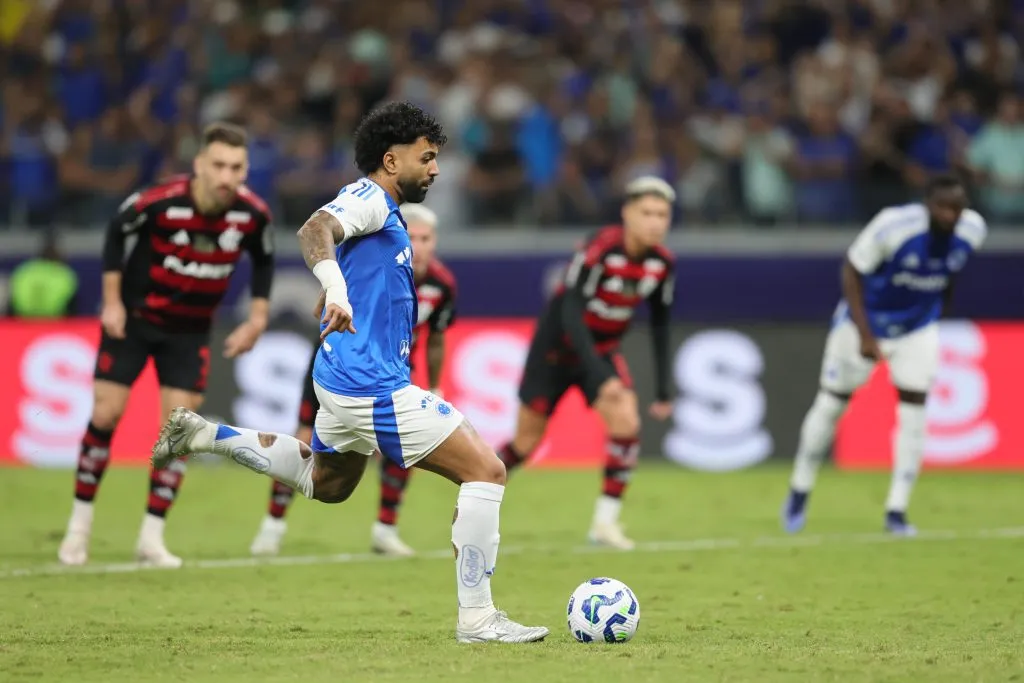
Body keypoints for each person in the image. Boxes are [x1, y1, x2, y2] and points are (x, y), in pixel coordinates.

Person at [152, 101, 548, 644]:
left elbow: (354, 263)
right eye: (426, 158)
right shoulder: (369, 198)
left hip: (341, 375)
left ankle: (204, 434)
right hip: (370, 384)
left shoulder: (386, 213)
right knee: (487, 471)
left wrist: (341, 285)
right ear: (390, 160)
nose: (435, 169)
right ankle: (478, 619)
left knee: (328, 483)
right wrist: (335, 288)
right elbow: (316, 229)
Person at [58, 122, 275, 568]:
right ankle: (78, 528)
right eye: (217, 165)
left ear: (245, 170)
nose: (226, 176)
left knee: (179, 434)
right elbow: (116, 234)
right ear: (199, 164)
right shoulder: (159, 201)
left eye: (235, 167)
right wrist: (113, 302)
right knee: (106, 414)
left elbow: (264, 260)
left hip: (190, 332)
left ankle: (151, 538)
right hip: (135, 323)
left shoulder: (253, 215)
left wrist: (257, 318)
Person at [782, 175, 987, 536]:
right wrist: (864, 334)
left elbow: (950, 272)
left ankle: (897, 510)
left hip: (917, 327)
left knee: (915, 411)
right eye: (942, 207)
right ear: (927, 205)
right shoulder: (894, 226)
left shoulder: (973, 230)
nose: (950, 215)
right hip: (864, 323)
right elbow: (851, 270)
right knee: (832, 405)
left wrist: (938, 316)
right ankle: (800, 488)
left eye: (957, 207)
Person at [249, 204, 457, 557]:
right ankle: (272, 526)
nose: (419, 246)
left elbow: (436, 338)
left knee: (405, 447)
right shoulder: (374, 267)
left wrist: (435, 384)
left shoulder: (441, 285)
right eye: (413, 237)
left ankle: (385, 529)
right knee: (304, 444)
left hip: (391, 375)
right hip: (338, 368)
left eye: (427, 238)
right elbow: (321, 309)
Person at [495, 176, 677, 550]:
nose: (655, 222)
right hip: (555, 350)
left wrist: (662, 389)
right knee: (526, 444)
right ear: (627, 213)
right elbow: (570, 311)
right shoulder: (600, 249)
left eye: (662, 214)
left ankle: (605, 524)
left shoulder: (662, 265)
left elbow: (660, 322)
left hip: (603, 349)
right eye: (647, 212)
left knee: (626, 422)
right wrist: (598, 373)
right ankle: (477, 489)